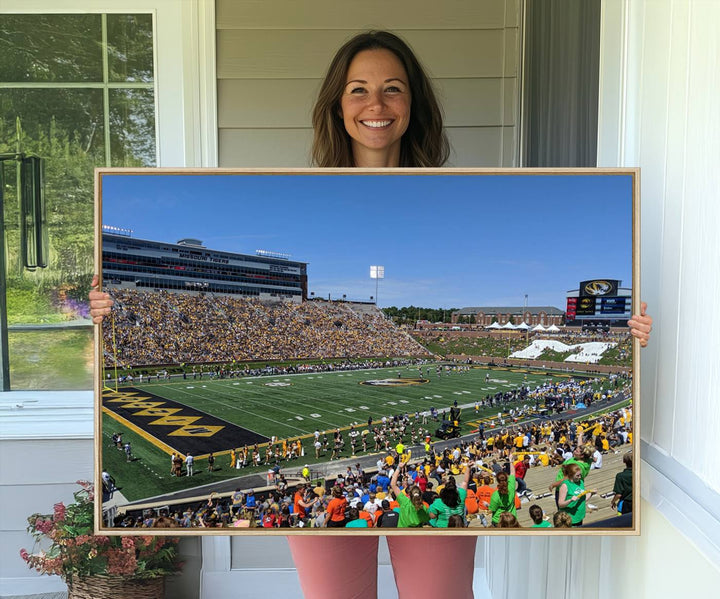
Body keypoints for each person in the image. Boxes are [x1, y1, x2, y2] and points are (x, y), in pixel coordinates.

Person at [88, 29, 653, 599]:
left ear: (414, 104)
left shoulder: (461, 190)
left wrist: (626, 331)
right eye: (358, 89)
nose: (375, 104)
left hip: (430, 486)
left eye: (393, 89)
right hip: (331, 505)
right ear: (337, 104)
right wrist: (99, 311)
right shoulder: (298, 188)